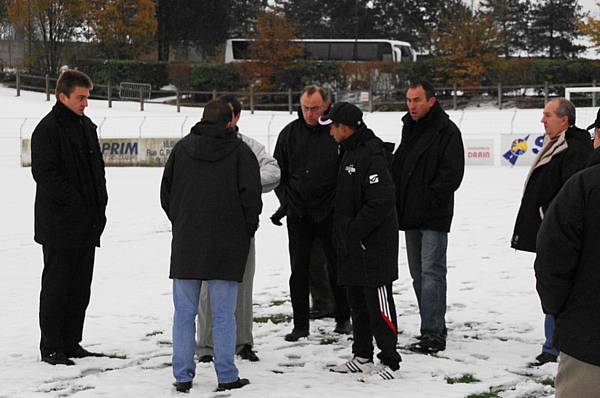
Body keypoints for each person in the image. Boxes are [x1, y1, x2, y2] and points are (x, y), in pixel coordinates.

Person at [160, 100, 262, 393]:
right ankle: (226, 374)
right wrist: (245, 230)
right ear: (230, 121)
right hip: (227, 244)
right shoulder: (240, 153)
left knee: (184, 313)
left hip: (187, 242)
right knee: (223, 314)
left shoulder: (181, 150)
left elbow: (166, 193)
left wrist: (182, 223)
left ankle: (182, 374)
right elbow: (251, 198)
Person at [31, 70, 108, 366]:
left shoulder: (87, 126)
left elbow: (96, 171)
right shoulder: (47, 130)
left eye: (87, 97)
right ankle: (51, 346)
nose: (86, 103)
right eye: (81, 97)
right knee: (57, 287)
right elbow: (45, 175)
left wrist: (100, 204)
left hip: (87, 223)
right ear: (62, 96)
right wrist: (77, 203)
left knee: (79, 288)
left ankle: (71, 341)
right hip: (59, 225)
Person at [196, 95, 280, 363]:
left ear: (236, 118)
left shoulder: (248, 146)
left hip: (241, 228)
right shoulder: (197, 145)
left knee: (242, 285)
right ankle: (206, 346)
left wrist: (245, 181)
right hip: (207, 229)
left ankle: (242, 341)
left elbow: (274, 171)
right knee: (207, 288)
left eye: (227, 116)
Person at [323, 102, 402, 381]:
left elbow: (381, 201)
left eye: (333, 126)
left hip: (373, 247)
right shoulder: (348, 151)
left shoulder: (372, 153)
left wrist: (354, 231)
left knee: (377, 303)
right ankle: (362, 354)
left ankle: (389, 360)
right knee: (356, 302)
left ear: (345, 127)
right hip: (351, 246)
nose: (331, 132)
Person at [511, 98, 592, 367]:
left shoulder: (574, 147)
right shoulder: (561, 142)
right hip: (552, 229)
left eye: (547, 115)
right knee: (552, 281)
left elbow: (569, 193)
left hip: (560, 232)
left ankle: (554, 345)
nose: (542, 120)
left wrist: (548, 216)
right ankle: (553, 342)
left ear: (564, 119)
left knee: (558, 282)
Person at [272, 85, 351, 342]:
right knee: (299, 271)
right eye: (305, 108)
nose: (309, 113)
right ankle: (300, 324)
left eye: (314, 108)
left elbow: (348, 171)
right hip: (298, 214)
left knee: (337, 268)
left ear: (326, 105)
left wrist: (338, 206)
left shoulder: (336, 133)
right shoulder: (289, 134)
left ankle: (343, 318)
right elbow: (277, 173)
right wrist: (287, 202)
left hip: (330, 213)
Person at [391, 80, 464, 354]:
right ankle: (432, 324)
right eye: (408, 100)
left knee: (432, 273)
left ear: (431, 101)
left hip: (433, 216)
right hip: (410, 215)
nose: (411, 105)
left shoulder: (447, 131)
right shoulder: (409, 128)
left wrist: (428, 199)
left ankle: (433, 333)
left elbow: (451, 175)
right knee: (417, 274)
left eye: (417, 100)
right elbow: (401, 166)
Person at [533, 130, 600, 397]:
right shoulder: (584, 185)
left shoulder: (584, 185)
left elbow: (551, 259)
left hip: (588, 342)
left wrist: (560, 311)